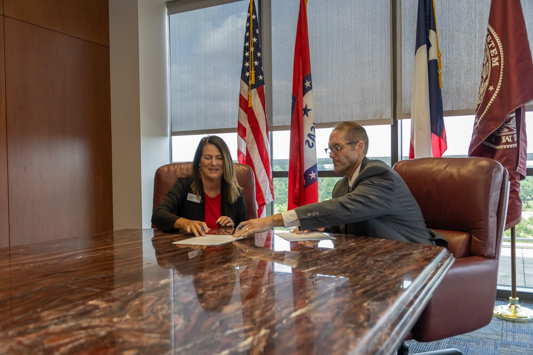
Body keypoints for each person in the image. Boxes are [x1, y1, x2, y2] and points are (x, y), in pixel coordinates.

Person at [233, 122, 445, 247]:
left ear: (359, 147)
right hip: (374, 260)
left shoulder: (379, 175)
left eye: (338, 148)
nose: (331, 155)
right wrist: (318, 229)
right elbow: (343, 221)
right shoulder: (342, 186)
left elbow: (345, 208)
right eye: (330, 149)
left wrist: (272, 220)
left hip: (415, 259)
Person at [152, 135, 247, 236]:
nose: (214, 163)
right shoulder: (184, 184)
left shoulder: (235, 192)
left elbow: (244, 229)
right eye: (208, 158)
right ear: (199, 162)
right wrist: (185, 223)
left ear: (226, 162)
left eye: (219, 158)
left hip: (226, 250)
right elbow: (158, 215)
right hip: (191, 249)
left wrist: (231, 229)